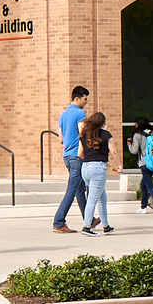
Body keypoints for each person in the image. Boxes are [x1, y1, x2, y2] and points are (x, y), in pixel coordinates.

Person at [51, 85, 91, 233]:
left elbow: (61, 139)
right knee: (72, 189)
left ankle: (90, 219)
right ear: (77, 98)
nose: (86, 102)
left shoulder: (62, 115)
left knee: (79, 189)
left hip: (67, 155)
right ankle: (59, 222)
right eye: (85, 99)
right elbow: (83, 133)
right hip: (77, 155)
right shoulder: (80, 114)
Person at [78, 103, 115, 234]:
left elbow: (79, 154)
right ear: (102, 123)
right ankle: (86, 226)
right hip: (98, 168)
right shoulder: (106, 134)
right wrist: (119, 165)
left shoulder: (84, 135)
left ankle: (106, 225)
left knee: (101, 197)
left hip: (85, 167)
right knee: (93, 198)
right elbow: (113, 150)